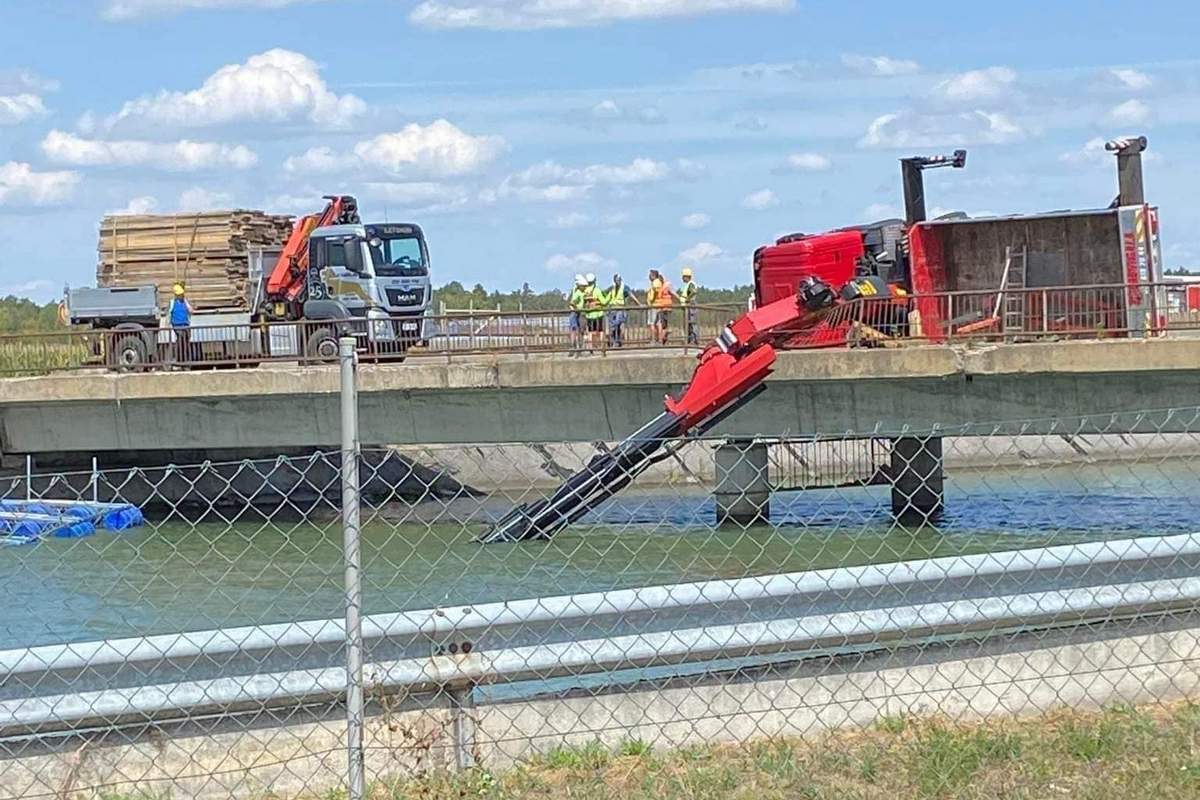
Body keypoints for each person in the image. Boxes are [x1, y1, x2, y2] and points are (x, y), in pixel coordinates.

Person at [606, 273, 636, 347]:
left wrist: (638, 303)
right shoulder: (613, 288)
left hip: (619, 308)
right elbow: (608, 298)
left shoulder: (624, 287)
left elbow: (631, 295)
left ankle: (617, 341)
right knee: (614, 326)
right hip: (613, 309)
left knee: (618, 325)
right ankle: (614, 340)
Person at [168, 283, 194, 364]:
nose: (181, 295)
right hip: (177, 325)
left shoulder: (185, 301)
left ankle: (185, 360)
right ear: (176, 295)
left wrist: (186, 302)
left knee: (186, 342)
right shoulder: (172, 302)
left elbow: (191, 311)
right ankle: (179, 359)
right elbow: (168, 313)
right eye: (179, 294)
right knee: (180, 341)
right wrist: (168, 324)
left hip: (186, 324)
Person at [581, 272, 607, 353]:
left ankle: (590, 348)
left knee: (590, 332)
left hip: (589, 315)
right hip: (598, 314)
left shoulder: (584, 291)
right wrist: (608, 297)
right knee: (601, 331)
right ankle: (602, 347)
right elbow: (604, 302)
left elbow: (583, 303)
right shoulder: (597, 290)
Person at [678, 266, 700, 345]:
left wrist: (687, 299)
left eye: (683, 277)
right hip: (689, 305)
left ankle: (694, 339)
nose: (682, 278)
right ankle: (690, 339)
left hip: (690, 305)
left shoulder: (691, 284)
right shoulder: (688, 284)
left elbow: (693, 291)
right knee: (689, 323)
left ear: (686, 277)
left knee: (692, 322)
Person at [568, 274, 588, 356]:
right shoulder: (578, 293)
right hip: (576, 312)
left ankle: (576, 347)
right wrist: (577, 308)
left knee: (578, 330)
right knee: (575, 330)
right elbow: (572, 302)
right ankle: (575, 347)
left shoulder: (577, 291)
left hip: (577, 312)